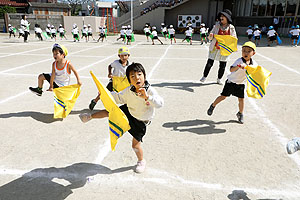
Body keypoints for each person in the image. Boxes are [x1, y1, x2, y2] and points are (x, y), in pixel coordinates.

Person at [79, 63, 164, 173]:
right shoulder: (129, 90)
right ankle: (89, 116)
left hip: (141, 121)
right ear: (129, 80)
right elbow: (118, 98)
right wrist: (106, 94)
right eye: (132, 76)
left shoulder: (149, 91)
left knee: (135, 146)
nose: (137, 78)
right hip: (130, 111)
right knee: (111, 111)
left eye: (139, 74)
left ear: (144, 76)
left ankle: (141, 161)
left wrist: (147, 97)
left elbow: (160, 104)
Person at [206, 41, 258, 124]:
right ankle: (213, 105)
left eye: (248, 51)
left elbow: (254, 72)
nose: (246, 53)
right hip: (231, 82)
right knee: (223, 96)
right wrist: (238, 67)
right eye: (244, 50)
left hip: (241, 84)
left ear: (253, 53)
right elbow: (231, 69)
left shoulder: (254, 64)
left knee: (241, 99)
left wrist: (248, 67)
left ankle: (240, 114)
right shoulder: (239, 61)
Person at [200, 9, 237, 85]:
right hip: (214, 48)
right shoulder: (216, 26)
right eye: (221, 16)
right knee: (209, 63)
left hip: (224, 50)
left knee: (222, 65)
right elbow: (210, 37)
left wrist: (229, 40)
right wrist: (210, 36)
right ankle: (204, 76)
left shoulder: (231, 27)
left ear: (227, 18)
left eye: (223, 16)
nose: (221, 18)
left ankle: (219, 79)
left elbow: (234, 38)